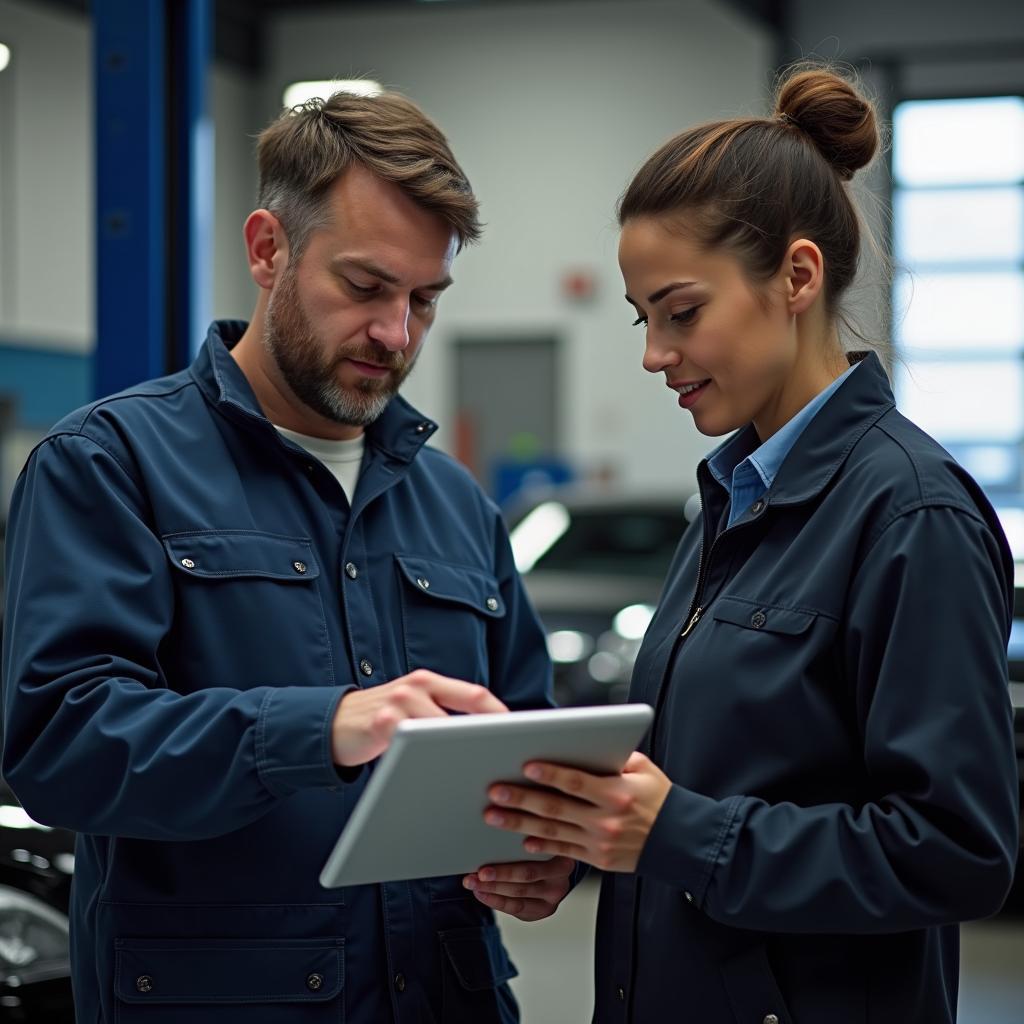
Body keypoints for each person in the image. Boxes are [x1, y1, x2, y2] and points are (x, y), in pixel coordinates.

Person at [1, 91, 574, 1024]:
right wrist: (326, 727)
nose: (396, 333)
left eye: (424, 299)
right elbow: (63, 746)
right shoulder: (110, 467)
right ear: (268, 249)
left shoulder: (455, 503)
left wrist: (548, 850)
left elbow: (524, 740)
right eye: (364, 286)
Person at [467, 66, 1020, 1023]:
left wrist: (678, 832)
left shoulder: (911, 515)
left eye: (683, 313)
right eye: (646, 321)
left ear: (797, 277)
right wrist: (584, 840)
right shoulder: (728, 503)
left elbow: (958, 853)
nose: (653, 355)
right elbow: (702, 798)